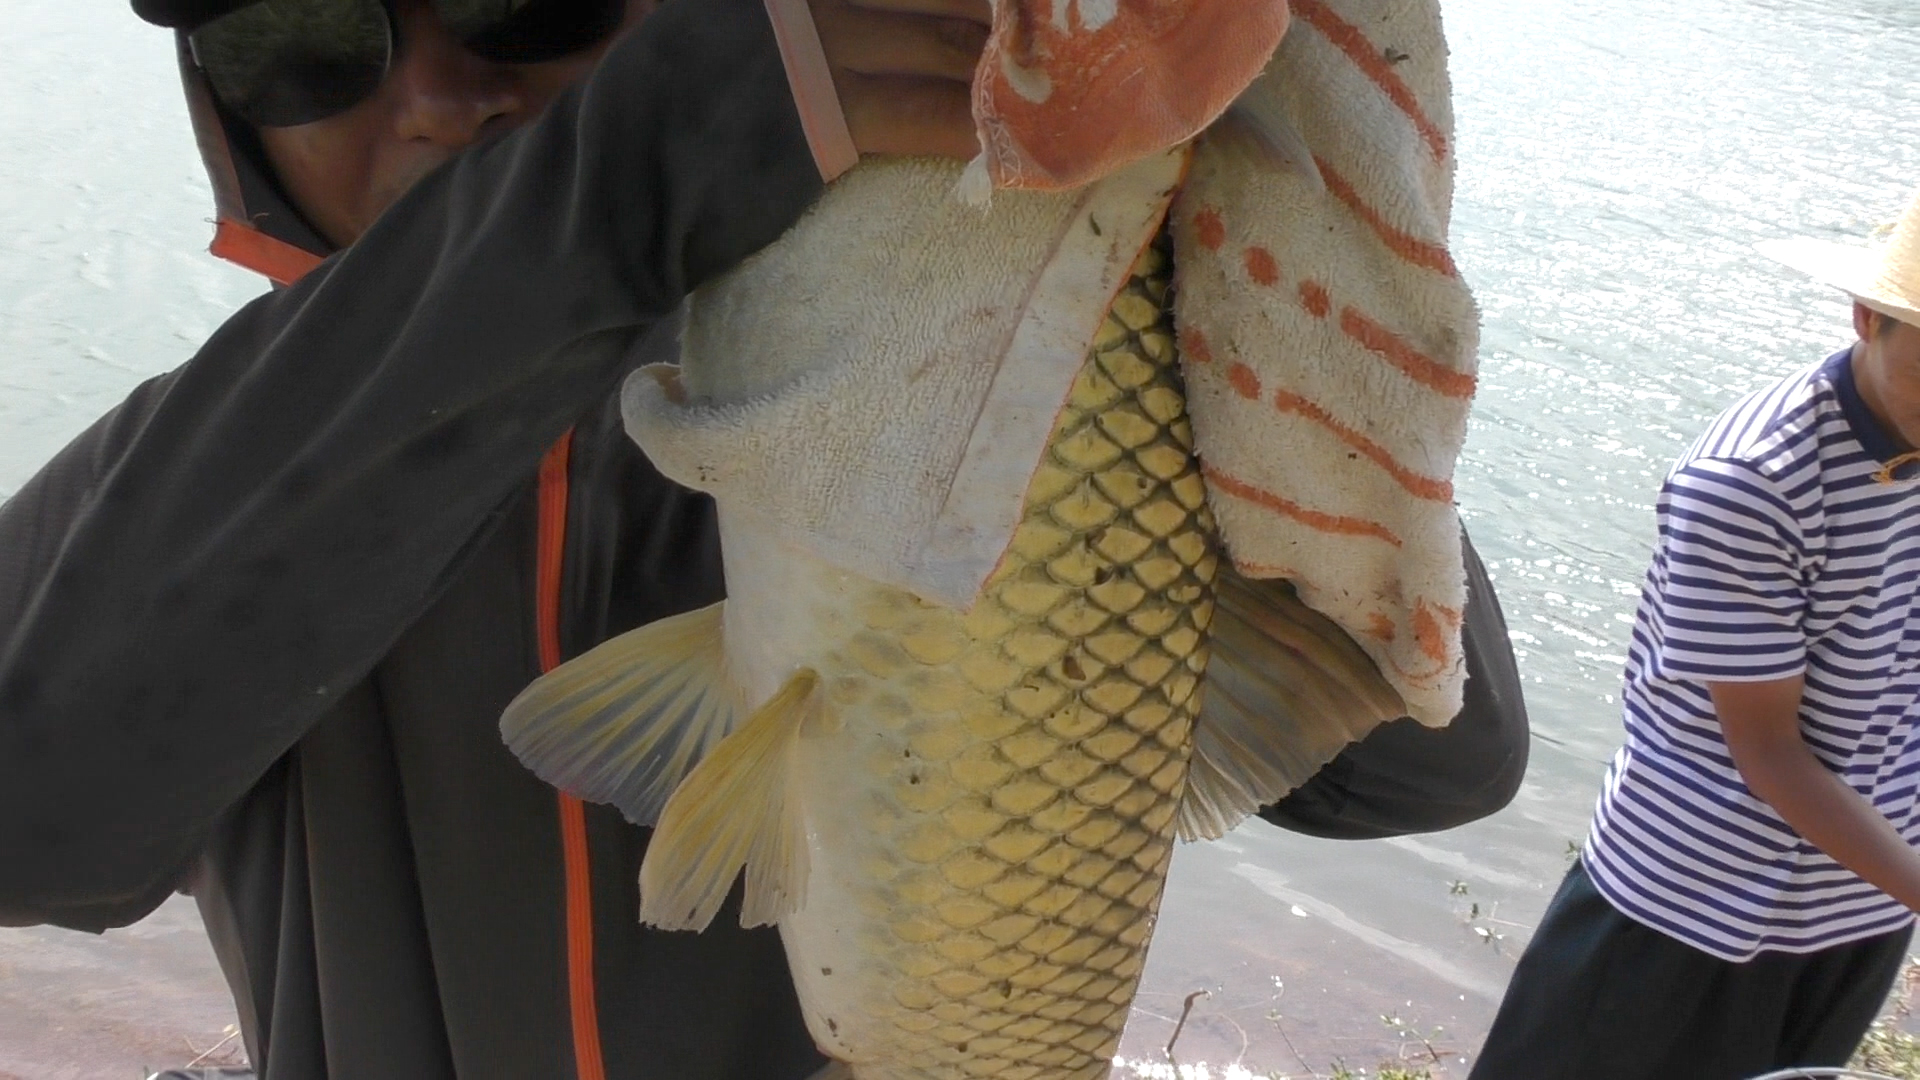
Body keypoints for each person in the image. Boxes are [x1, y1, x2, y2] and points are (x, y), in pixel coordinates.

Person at [0, 1, 1528, 1077]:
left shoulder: (920, 394)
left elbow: (1434, 764)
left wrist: (1269, 341)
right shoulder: (202, 486)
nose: (439, 96)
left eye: (523, 0)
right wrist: (624, 177)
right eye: (297, 38)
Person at [1470, 189, 1920, 1080]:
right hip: (1691, 908)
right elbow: (1771, 756)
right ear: (1867, 319)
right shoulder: (1753, 480)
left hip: (1864, 904)